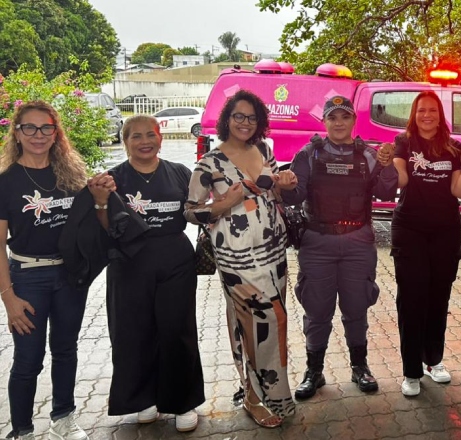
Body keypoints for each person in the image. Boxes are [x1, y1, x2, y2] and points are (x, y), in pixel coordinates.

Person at [185, 90, 298, 428]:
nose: (245, 123)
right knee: (255, 321)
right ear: (227, 120)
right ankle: (253, 396)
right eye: (238, 116)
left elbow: (272, 190)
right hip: (236, 257)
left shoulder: (264, 150)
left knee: (275, 322)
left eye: (251, 117)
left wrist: (285, 183)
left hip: (274, 250)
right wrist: (223, 204)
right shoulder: (209, 164)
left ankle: (273, 394)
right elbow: (191, 213)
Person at [280, 96, 398, 400]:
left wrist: (386, 167)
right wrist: (287, 184)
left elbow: (387, 191)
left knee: (356, 308)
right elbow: (294, 198)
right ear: (325, 122)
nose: (339, 123)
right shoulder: (309, 154)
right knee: (318, 310)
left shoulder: (369, 156)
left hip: (358, 241)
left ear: (353, 120)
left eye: (344, 116)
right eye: (332, 117)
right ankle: (314, 372)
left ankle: (360, 367)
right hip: (317, 243)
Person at [95, 115, 204, 431]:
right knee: (133, 331)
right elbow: (104, 230)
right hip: (128, 263)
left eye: (150, 135)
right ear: (124, 140)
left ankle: (183, 402)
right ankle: (143, 399)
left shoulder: (180, 173)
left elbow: (197, 210)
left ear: (161, 138)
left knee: (177, 329)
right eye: (136, 136)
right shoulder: (112, 179)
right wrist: (101, 202)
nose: (144, 141)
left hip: (175, 260)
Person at [0, 101, 91, 440]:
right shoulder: (6, 182)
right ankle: (22, 430)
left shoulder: (70, 175)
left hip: (69, 277)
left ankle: (63, 417)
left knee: (66, 349)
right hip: (28, 278)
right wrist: (8, 298)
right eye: (30, 128)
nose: (38, 135)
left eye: (46, 128)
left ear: (56, 133)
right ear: (18, 134)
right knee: (28, 359)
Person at [390, 91, 461, 396]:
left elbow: (458, 190)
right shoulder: (404, 142)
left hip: (445, 231)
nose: (427, 115)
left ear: (441, 115)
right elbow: (401, 179)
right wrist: (390, 165)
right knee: (412, 298)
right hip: (410, 229)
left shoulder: (453, 147)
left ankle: (434, 360)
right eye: (421, 111)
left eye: (432, 110)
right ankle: (411, 371)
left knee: (438, 298)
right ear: (413, 115)